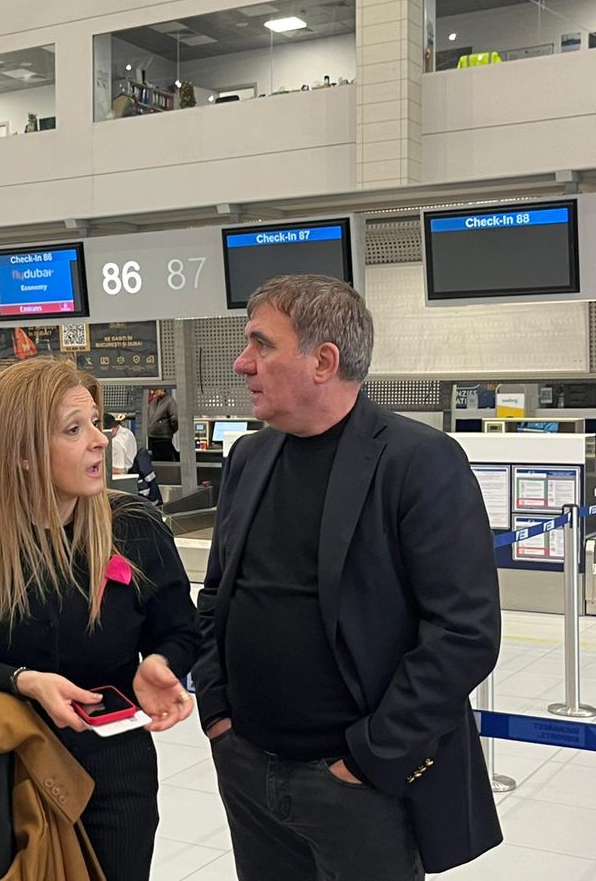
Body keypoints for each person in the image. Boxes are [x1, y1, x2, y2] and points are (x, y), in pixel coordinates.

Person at [193, 275, 502, 880]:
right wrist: (217, 713)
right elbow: (217, 595)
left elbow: (463, 633)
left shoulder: (417, 461)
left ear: (323, 361)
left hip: (356, 785)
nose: (242, 362)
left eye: (261, 344)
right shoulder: (249, 458)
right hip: (247, 765)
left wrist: (367, 759)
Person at [0, 358, 200, 881]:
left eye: (96, 422)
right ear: (22, 452)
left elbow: (181, 629)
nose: (99, 440)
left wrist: (162, 663)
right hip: (6, 763)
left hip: (114, 769)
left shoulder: (134, 526)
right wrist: (23, 681)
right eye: (74, 429)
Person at [146, 387, 178, 461]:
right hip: (152, 437)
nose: (153, 392)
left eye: (155, 390)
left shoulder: (170, 401)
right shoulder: (153, 402)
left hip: (163, 438)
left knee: (166, 460)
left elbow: (175, 419)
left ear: (162, 389)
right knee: (156, 461)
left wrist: (170, 430)